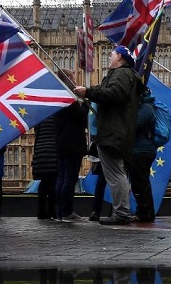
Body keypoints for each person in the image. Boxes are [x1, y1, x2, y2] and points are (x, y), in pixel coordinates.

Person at [74, 45, 142, 225]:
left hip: (113, 132)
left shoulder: (122, 74)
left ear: (119, 57)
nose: (109, 57)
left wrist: (89, 92)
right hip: (117, 131)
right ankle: (123, 211)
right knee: (117, 174)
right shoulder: (125, 75)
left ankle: (121, 213)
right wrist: (90, 94)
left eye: (111, 54)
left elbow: (114, 94)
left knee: (115, 175)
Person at [54, 69, 89, 222]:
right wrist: (87, 104)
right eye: (73, 77)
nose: (75, 80)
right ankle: (67, 212)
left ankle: (60, 211)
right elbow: (80, 117)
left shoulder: (57, 96)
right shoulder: (69, 97)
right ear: (68, 79)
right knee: (69, 179)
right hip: (72, 143)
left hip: (62, 142)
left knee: (62, 178)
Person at [128, 88, 157, 222]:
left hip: (142, 150)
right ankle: (145, 212)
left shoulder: (146, 108)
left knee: (140, 182)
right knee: (140, 182)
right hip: (139, 149)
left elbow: (134, 124)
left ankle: (145, 213)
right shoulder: (145, 107)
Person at [32, 116, 59, 220]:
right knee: (53, 184)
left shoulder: (40, 118)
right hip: (53, 152)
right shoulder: (56, 116)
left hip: (40, 153)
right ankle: (51, 211)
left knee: (43, 185)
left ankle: (41, 212)